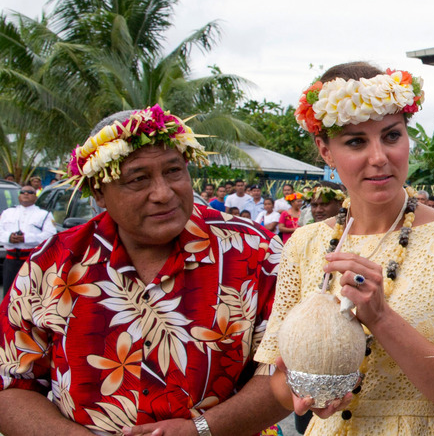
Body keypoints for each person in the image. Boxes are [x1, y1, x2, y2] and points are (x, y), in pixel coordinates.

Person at [0, 105, 301, 435]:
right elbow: (11, 384)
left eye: (173, 171)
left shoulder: (255, 252)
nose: (163, 193)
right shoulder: (52, 264)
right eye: (138, 179)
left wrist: (203, 429)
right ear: (99, 191)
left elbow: (291, 369)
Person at [254, 61, 434, 435]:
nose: (380, 156)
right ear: (325, 151)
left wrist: (380, 317)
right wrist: (305, 397)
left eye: (392, 136)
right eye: (355, 141)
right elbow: (277, 379)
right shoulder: (304, 244)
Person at [0, 185, 56, 298]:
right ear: (19, 196)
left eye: (30, 192)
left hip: (32, 261)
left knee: (30, 296)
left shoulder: (44, 215)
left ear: (35, 197)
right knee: (9, 295)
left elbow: (50, 235)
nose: (26, 194)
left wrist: (26, 238)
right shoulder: (7, 213)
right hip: (11, 262)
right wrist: (9, 237)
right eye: (23, 192)